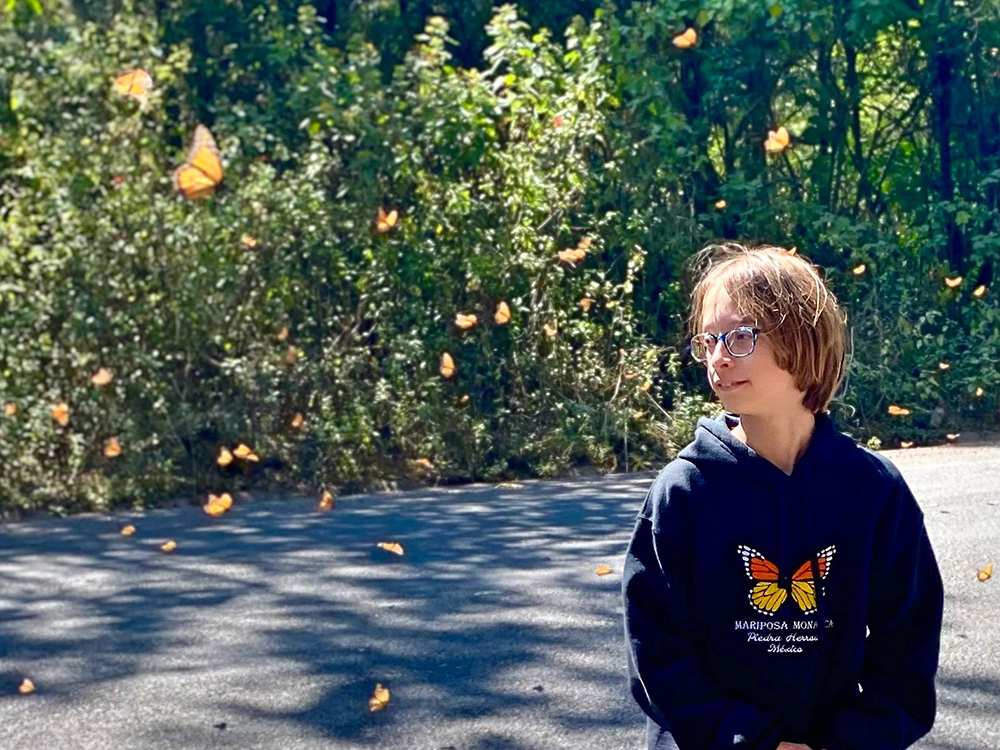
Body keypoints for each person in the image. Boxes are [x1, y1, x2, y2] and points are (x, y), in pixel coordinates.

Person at [621, 243, 944, 750]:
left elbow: (907, 650)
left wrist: (853, 739)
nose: (718, 358)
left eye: (741, 337)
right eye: (708, 340)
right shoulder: (683, 491)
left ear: (803, 338)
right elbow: (657, 653)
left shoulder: (873, 490)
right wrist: (747, 738)